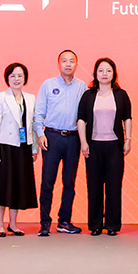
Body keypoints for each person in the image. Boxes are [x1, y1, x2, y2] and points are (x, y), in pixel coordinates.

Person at [33, 50, 87, 237]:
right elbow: (39, 113)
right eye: (64, 61)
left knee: (69, 182)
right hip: (52, 137)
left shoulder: (82, 87)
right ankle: (44, 223)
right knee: (47, 181)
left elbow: (85, 116)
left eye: (72, 61)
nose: (68, 64)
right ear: (58, 64)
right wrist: (40, 134)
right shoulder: (48, 85)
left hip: (73, 138)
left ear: (76, 64)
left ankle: (64, 221)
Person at [77, 58, 132, 236]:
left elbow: (127, 118)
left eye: (108, 70)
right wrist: (83, 142)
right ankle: (95, 225)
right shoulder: (88, 95)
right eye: (101, 70)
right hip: (93, 146)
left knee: (114, 187)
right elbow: (81, 119)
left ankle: (112, 225)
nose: (104, 74)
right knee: (94, 186)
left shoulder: (121, 94)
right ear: (95, 73)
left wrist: (128, 140)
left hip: (114, 146)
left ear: (114, 73)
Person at [0, 63, 38, 237]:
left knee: (18, 185)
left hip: (23, 147)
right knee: (2, 185)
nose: (16, 79)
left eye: (20, 75)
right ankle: (0, 223)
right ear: (7, 78)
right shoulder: (0, 97)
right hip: (4, 147)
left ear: (25, 78)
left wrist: (34, 147)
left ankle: (13, 224)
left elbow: (33, 125)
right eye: (13, 75)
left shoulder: (31, 98)